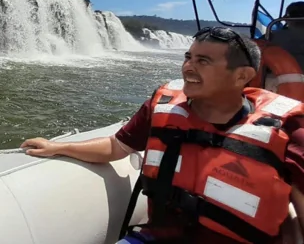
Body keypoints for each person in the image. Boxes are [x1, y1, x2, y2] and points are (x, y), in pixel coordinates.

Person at [20, 26, 304, 244]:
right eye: (188, 57)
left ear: (242, 76)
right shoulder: (161, 107)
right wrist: (57, 147)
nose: (188, 67)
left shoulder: (290, 130)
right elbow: (115, 147)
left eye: (203, 61)